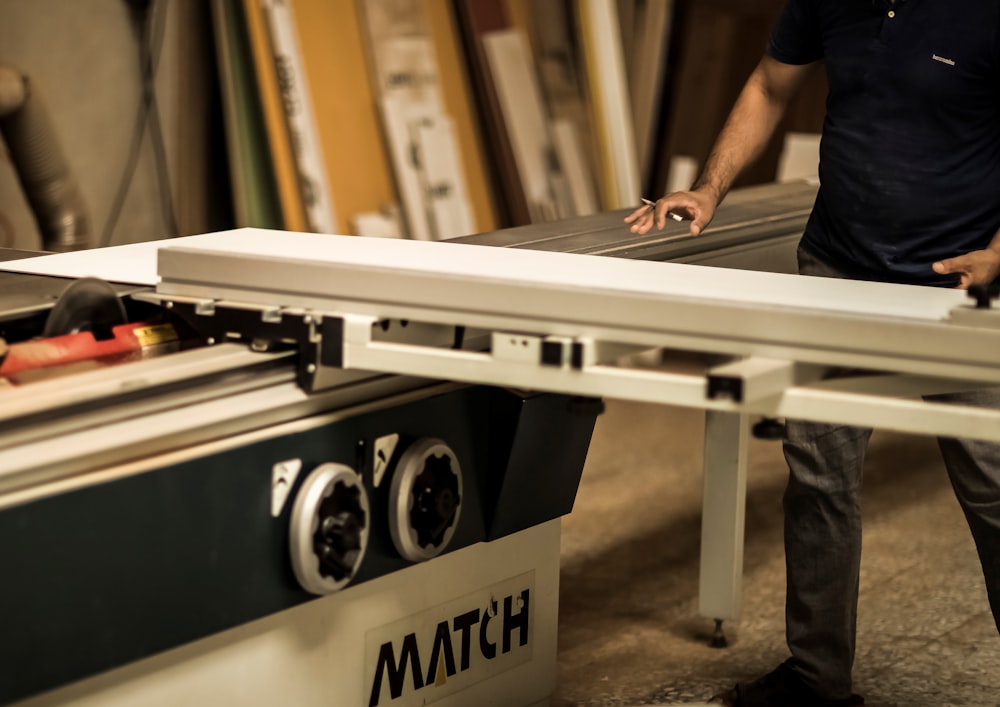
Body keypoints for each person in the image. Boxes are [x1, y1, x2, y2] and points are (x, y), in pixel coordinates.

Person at [625, 1, 1000, 705]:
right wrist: (709, 190)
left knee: (994, 482)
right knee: (821, 474)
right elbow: (770, 85)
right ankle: (817, 678)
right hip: (841, 267)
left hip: (957, 284)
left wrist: (999, 255)